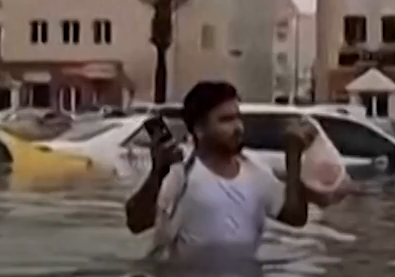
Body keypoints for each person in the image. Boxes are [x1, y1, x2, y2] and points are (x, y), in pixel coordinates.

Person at [124, 81, 345, 256]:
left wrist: (293, 155)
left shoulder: (255, 169)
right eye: (226, 120)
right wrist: (157, 173)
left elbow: (295, 218)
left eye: (238, 118)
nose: (238, 127)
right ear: (199, 130)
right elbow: (136, 223)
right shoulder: (179, 171)